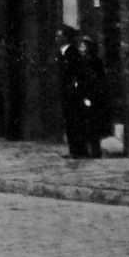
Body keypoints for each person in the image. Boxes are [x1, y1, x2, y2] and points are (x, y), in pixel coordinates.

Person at [58, 26, 94, 159]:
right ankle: (74, 149)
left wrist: (75, 88)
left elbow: (78, 74)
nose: (57, 38)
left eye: (59, 35)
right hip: (67, 94)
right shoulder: (62, 53)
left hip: (73, 95)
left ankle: (78, 150)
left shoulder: (72, 54)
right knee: (70, 122)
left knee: (75, 122)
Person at [76, 33, 112, 159]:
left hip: (93, 96)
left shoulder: (94, 61)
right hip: (83, 95)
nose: (82, 48)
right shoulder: (80, 61)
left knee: (92, 125)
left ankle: (94, 149)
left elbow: (98, 79)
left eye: (84, 46)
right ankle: (86, 149)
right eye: (81, 46)